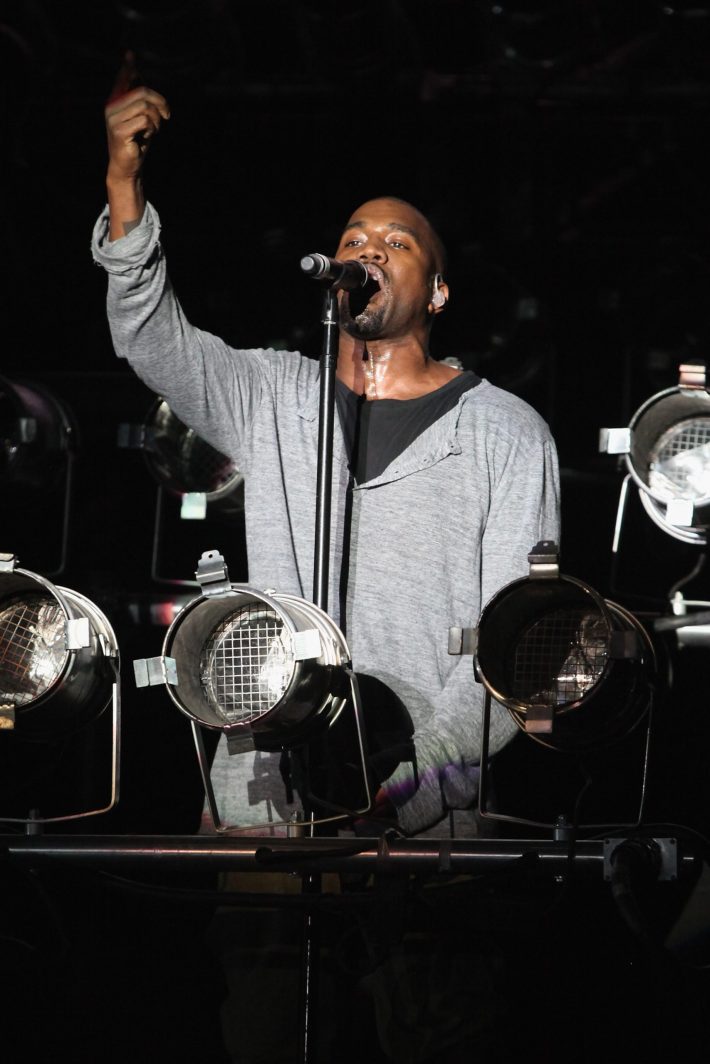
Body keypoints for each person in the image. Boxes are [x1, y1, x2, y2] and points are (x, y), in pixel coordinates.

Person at [93, 85, 559, 840]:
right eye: (353, 238)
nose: (368, 249)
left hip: (421, 808)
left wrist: (416, 779)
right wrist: (124, 185)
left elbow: (515, 642)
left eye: (398, 243)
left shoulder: (507, 432)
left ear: (439, 292)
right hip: (264, 795)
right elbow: (150, 339)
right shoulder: (271, 393)